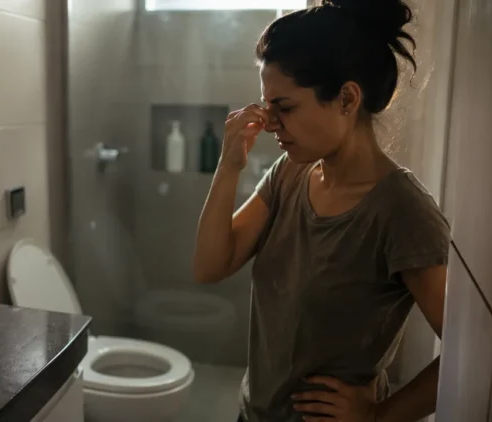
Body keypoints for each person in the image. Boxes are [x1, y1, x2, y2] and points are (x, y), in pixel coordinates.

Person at [192, 0, 450, 421]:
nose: (271, 123)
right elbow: (209, 266)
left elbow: (465, 349)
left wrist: (378, 416)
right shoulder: (290, 174)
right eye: (267, 107)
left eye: (285, 107)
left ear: (347, 98)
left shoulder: (403, 211)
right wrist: (228, 166)